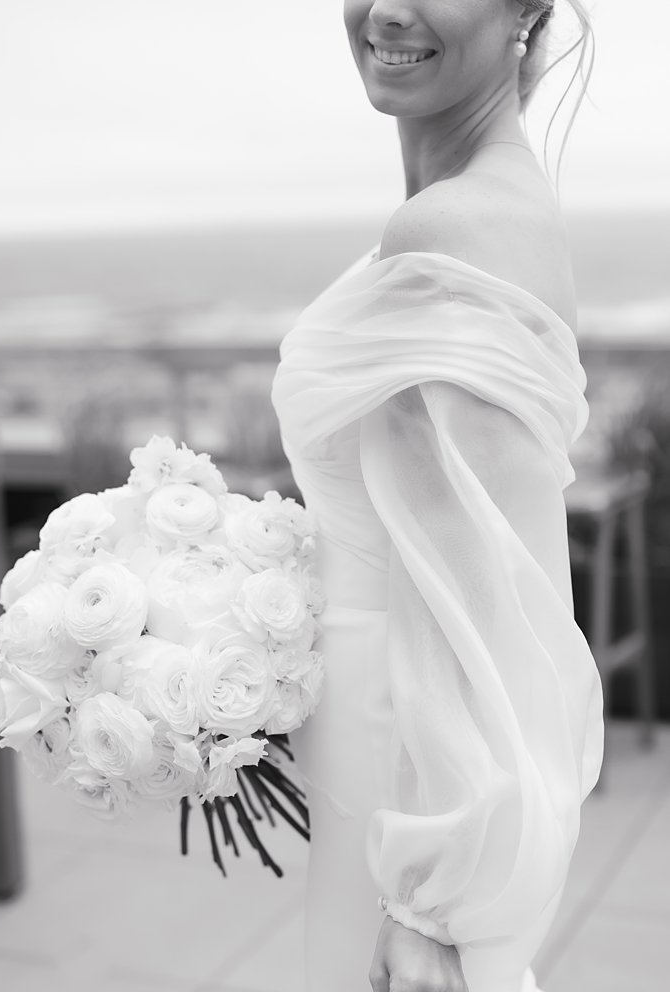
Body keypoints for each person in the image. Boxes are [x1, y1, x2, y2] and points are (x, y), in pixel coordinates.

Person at [270, 2, 600, 991]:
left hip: (402, 785)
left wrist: (434, 913)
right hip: (375, 762)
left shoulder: (453, 222)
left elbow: (495, 615)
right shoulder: (485, 191)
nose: (390, 10)